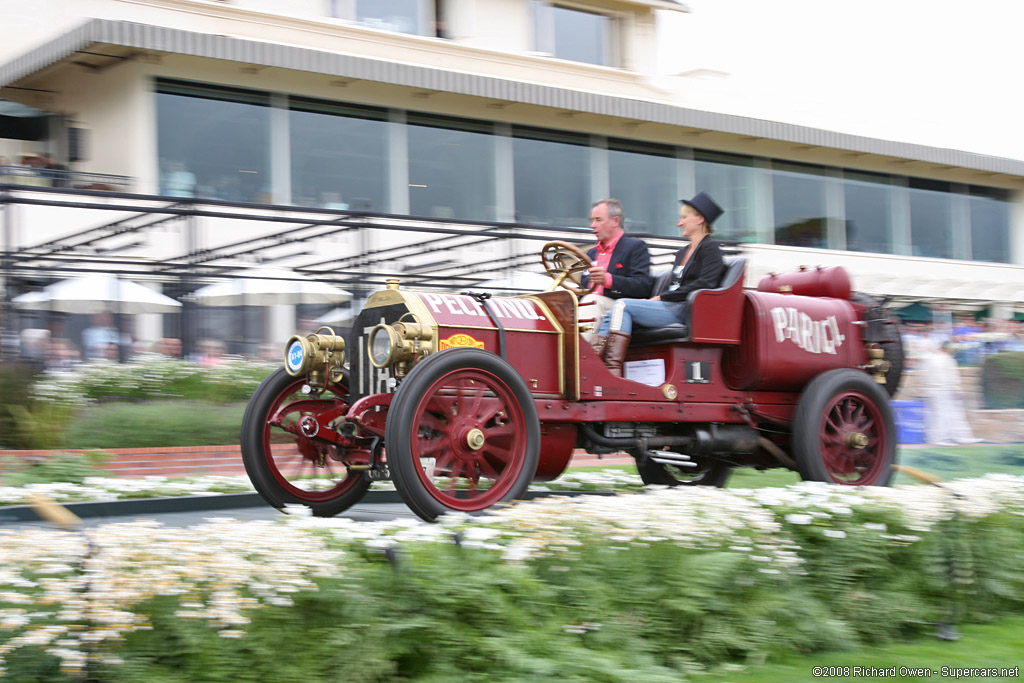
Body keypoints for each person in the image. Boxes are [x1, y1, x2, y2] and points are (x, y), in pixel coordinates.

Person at [592, 191, 725, 377]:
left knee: (622, 305)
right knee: (612, 312)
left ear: (700, 219)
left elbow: (705, 283)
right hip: (670, 305)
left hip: (684, 308)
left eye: (684, 218)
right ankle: (594, 364)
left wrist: (662, 296)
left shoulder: (710, 249)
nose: (680, 223)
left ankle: (612, 371)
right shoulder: (683, 251)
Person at [579, 199, 652, 344]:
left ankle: (577, 350)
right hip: (592, 305)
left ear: (615, 221)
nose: (592, 225)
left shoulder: (635, 247)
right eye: (592, 220)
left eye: (598, 220)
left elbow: (642, 286)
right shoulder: (592, 253)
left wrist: (608, 280)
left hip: (620, 306)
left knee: (592, 302)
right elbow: (584, 286)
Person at [919, 339, 982, 446]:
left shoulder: (931, 359)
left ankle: (957, 436)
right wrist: (957, 389)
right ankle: (943, 438)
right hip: (943, 390)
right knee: (945, 415)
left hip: (935, 390)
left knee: (943, 415)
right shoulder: (945, 359)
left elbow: (925, 376)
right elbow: (951, 376)